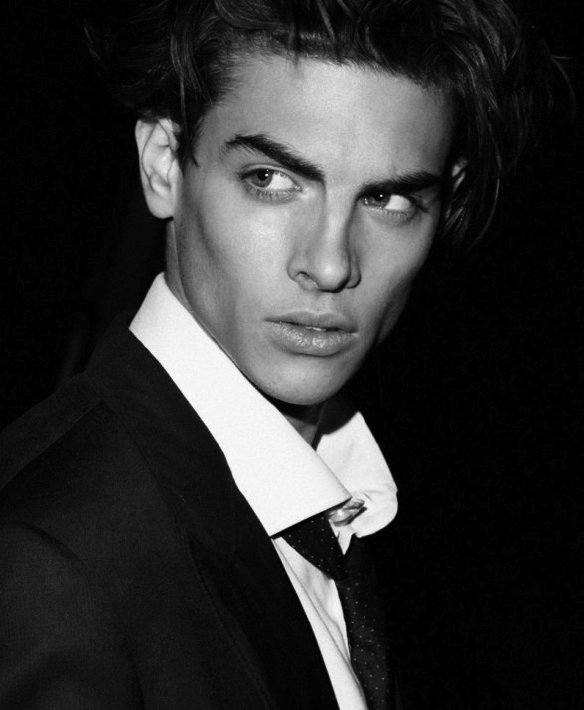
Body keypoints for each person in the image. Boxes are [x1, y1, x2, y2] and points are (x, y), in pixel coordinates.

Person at [0, 1, 556, 708]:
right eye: (271, 180)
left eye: (387, 199)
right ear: (164, 164)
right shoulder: (49, 561)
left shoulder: (343, 513)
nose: (330, 264)